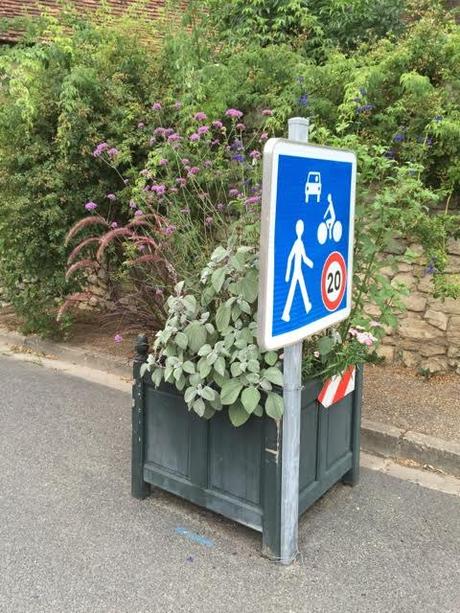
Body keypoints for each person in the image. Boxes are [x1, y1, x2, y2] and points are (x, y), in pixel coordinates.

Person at [282, 220, 314, 322]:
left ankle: (307, 304)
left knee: (302, 286)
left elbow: (304, 257)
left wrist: (310, 263)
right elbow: (290, 258)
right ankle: (285, 313)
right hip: (296, 270)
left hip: (299, 269)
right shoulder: (297, 243)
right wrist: (287, 274)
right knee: (292, 291)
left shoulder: (300, 243)